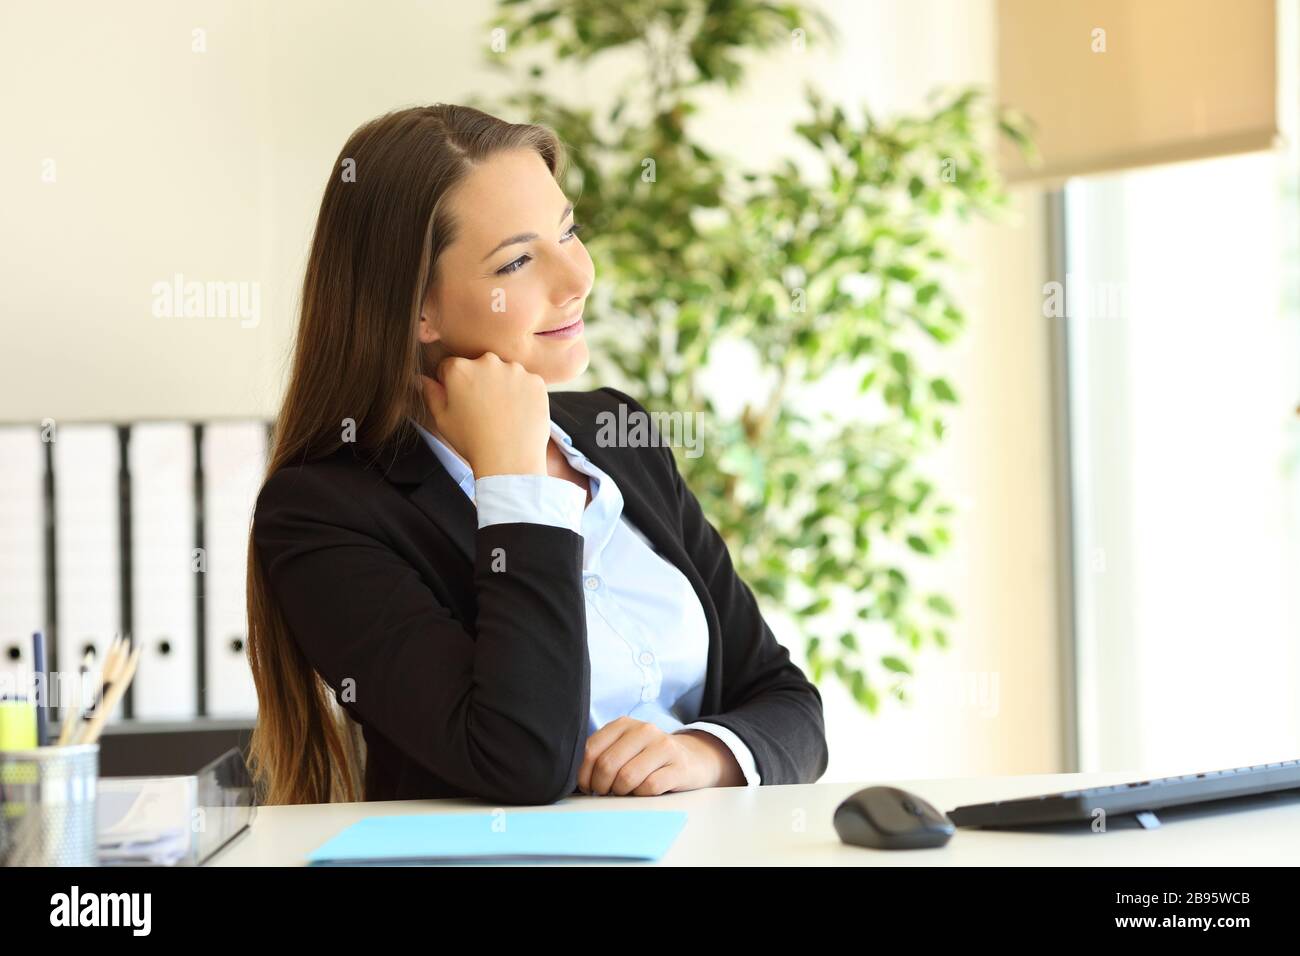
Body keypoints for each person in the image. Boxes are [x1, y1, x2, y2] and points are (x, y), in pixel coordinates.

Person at [247, 103, 828, 806]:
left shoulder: (617, 430)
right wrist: (514, 482)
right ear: (415, 309)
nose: (577, 276)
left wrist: (699, 754)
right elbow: (518, 760)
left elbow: (789, 704)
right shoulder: (325, 512)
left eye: (568, 231)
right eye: (519, 260)